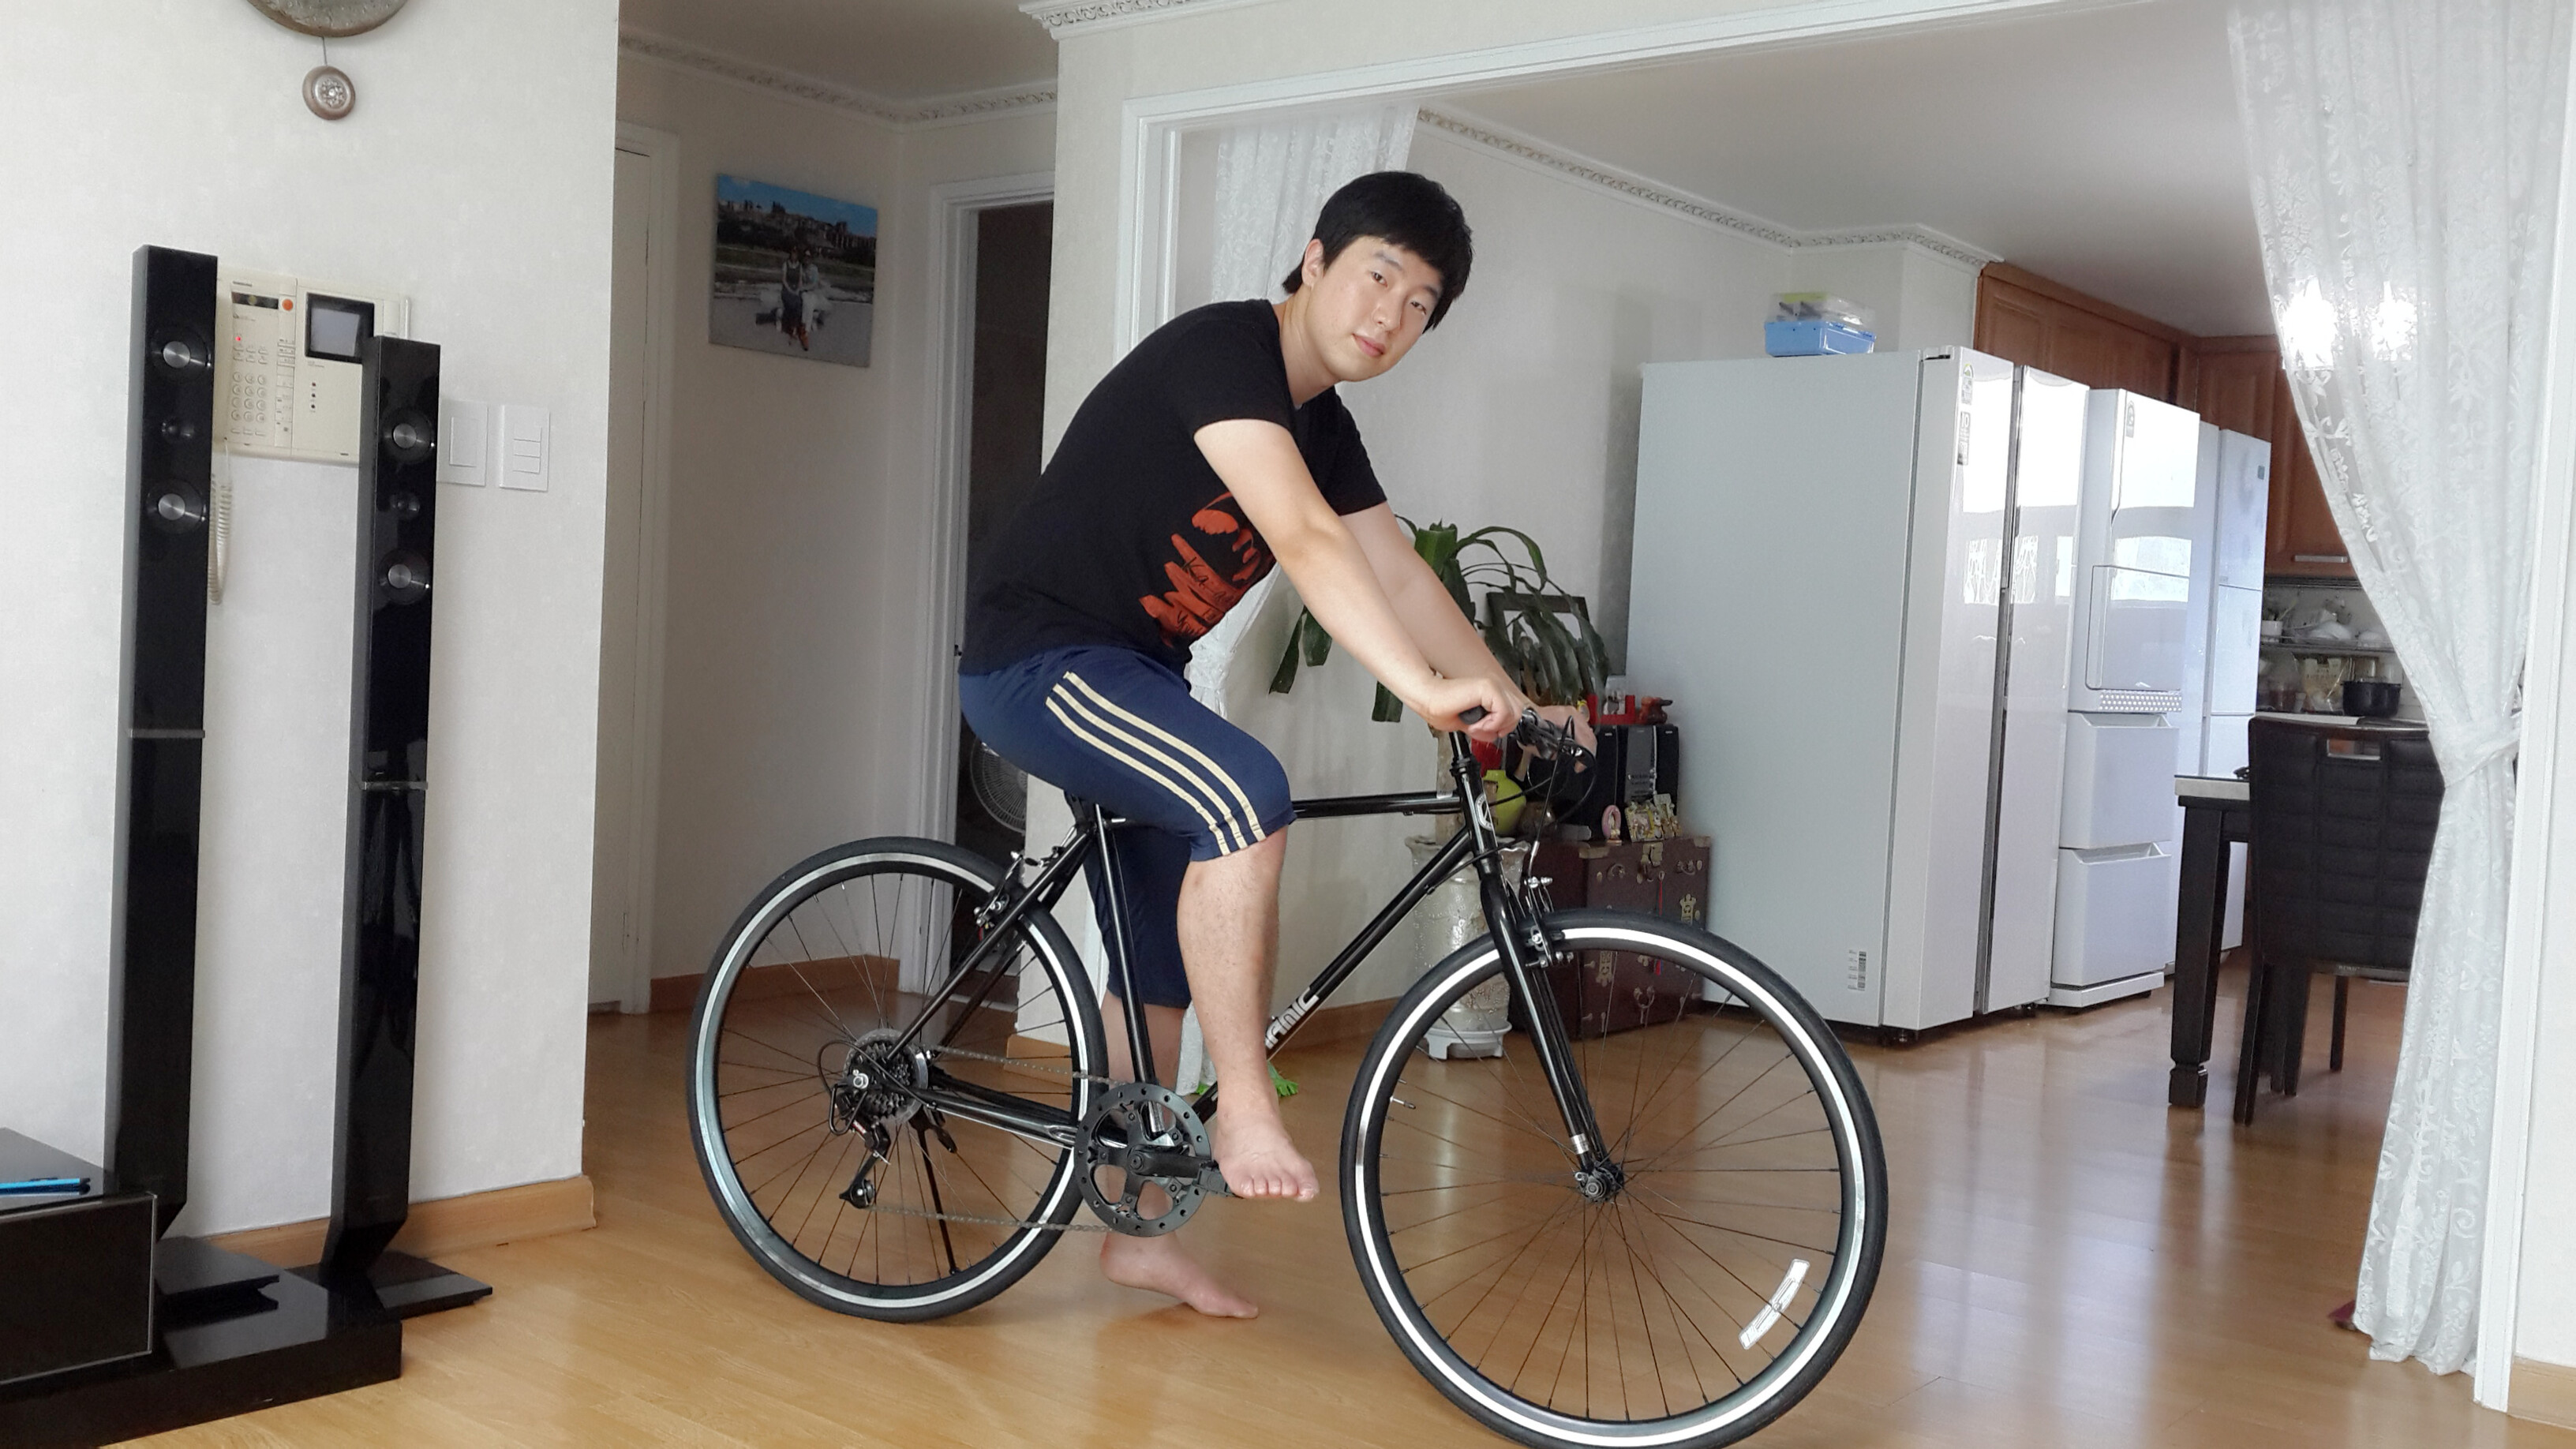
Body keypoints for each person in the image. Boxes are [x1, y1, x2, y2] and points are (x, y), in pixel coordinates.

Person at [957, 171, 1578, 1319]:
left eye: (1420, 305)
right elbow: (1301, 536)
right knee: (1244, 793)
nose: (1390, 315)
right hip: (1038, 660)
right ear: (1316, 258)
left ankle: (1138, 1224)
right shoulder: (1224, 353)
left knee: (1155, 958)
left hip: (1134, 676)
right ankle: (1243, 1105)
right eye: (1378, 275)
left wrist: (1520, 702)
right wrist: (1420, 687)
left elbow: (1400, 573)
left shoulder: (1325, 427)